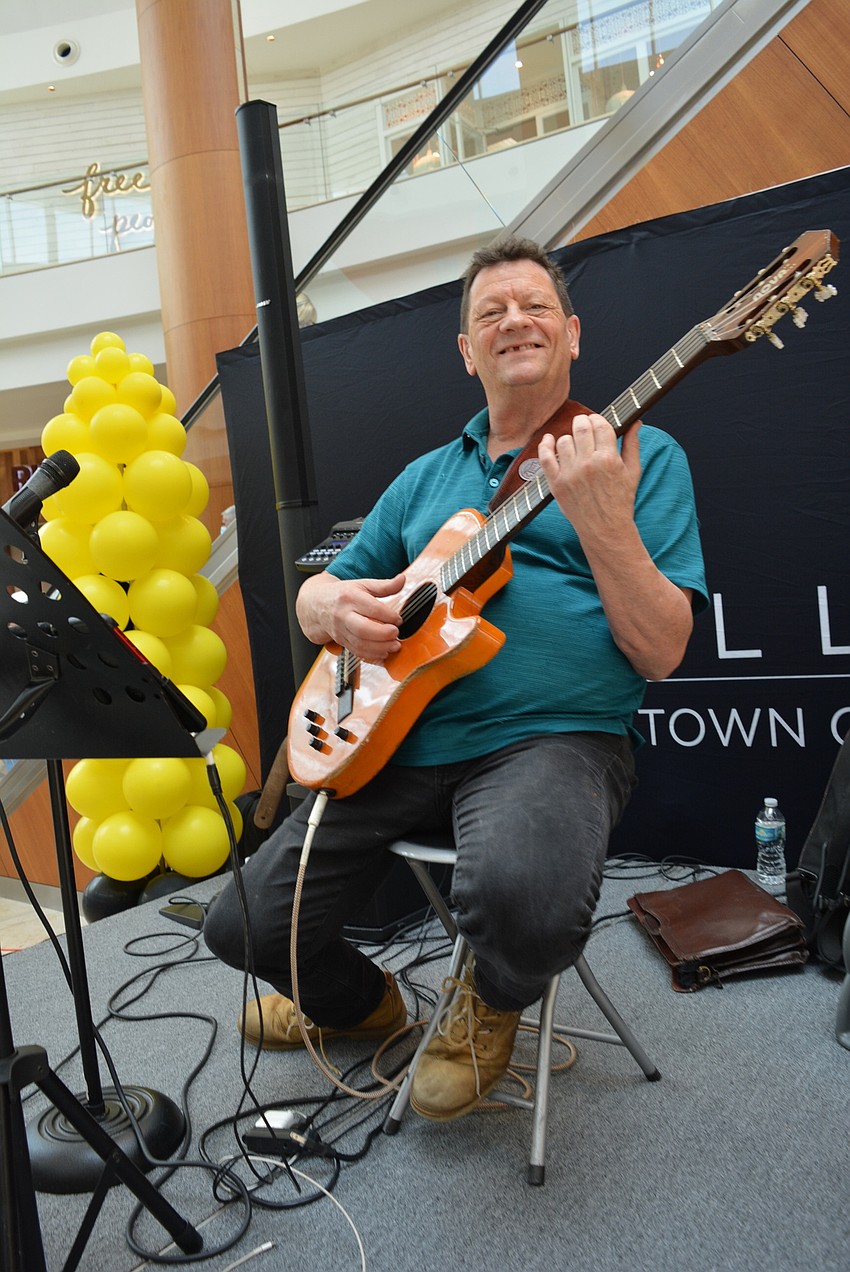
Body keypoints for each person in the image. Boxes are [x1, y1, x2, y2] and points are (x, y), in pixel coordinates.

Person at [204, 236, 708, 1122]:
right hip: (393, 741)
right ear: (468, 351)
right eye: (491, 313)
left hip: (550, 741)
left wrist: (602, 521)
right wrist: (327, 607)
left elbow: (663, 652)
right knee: (240, 927)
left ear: (573, 334)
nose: (515, 319)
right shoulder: (423, 479)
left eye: (536, 305)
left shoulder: (637, 453)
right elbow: (321, 592)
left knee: (524, 897)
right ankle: (366, 1007)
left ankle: (490, 998)